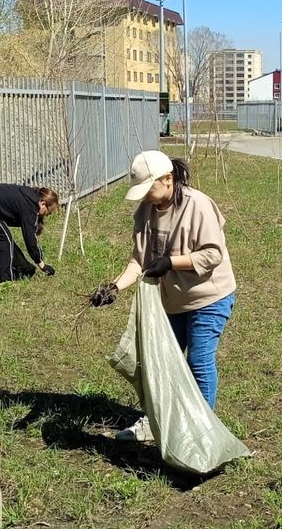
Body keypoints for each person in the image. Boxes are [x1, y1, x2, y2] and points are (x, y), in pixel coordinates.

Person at [91, 151, 237, 442]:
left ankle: (202, 430)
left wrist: (171, 262)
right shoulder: (146, 211)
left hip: (209, 296)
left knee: (198, 359)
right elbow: (139, 260)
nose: (146, 197)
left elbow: (212, 254)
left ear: (168, 179)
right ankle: (157, 421)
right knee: (162, 360)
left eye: (149, 189)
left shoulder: (198, 206)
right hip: (173, 300)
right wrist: (114, 287)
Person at [0, 183, 59, 284]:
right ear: (43, 203)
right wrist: (42, 265)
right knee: (4, 239)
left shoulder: (28, 195)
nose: (48, 215)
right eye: (49, 211)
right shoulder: (31, 205)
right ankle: (4, 280)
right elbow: (30, 240)